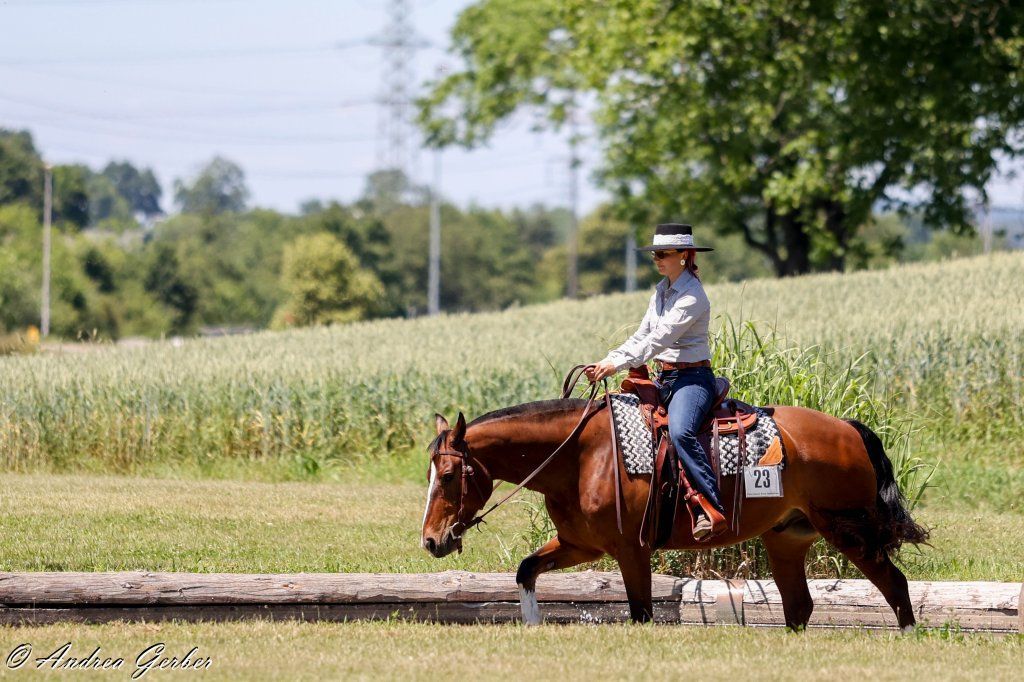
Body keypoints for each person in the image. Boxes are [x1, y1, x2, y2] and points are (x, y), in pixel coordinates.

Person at [584, 223, 727, 540]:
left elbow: (659, 339)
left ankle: (711, 506)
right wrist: (608, 359)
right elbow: (641, 335)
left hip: (693, 379)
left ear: (684, 255)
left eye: (663, 254)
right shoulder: (661, 291)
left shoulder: (693, 295)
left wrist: (616, 365)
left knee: (681, 432)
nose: (657, 260)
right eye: (654, 255)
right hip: (666, 377)